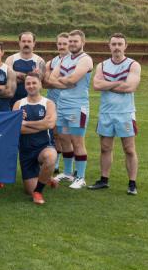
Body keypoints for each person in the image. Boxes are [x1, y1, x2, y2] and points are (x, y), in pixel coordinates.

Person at [88, 33, 142, 195]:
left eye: (120, 44)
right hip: (106, 112)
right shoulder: (102, 65)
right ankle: (104, 180)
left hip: (125, 113)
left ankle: (132, 183)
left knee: (129, 149)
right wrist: (119, 82)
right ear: (109, 46)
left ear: (126, 46)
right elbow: (96, 85)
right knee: (105, 148)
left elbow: (130, 87)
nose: (117, 47)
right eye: (114, 44)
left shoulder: (133, 65)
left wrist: (107, 84)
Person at [49, 30, 93, 189]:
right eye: (70, 41)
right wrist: (65, 82)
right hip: (62, 105)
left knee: (77, 141)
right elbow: (51, 79)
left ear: (83, 42)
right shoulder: (65, 59)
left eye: (75, 41)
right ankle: (67, 173)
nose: (72, 44)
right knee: (63, 139)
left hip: (77, 106)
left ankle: (80, 177)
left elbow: (74, 79)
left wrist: (63, 80)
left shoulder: (86, 59)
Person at [13, 73, 59, 205]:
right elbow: (15, 129)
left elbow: (50, 124)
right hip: (26, 150)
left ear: (40, 85)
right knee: (29, 190)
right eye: (28, 83)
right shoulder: (18, 104)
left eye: (34, 83)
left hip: (43, 146)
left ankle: (38, 192)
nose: (31, 86)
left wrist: (26, 123)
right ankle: (47, 177)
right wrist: (41, 124)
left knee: (51, 157)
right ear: (25, 86)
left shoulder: (48, 103)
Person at [43, 32, 69, 173]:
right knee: (55, 134)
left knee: (69, 137)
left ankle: (72, 168)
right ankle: (57, 165)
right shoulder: (51, 62)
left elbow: (74, 82)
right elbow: (46, 83)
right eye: (59, 43)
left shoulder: (75, 62)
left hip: (69, 103)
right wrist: (64, 82)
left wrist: (54, 81)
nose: (62, 46)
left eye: (65, 44)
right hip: (53, 102)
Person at [5, 31, 45, 107]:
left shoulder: (40, 61)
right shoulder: (10, 59)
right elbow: (9, 78)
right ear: (19, 43)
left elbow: (39, 81)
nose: (26, 44)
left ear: (34, 43)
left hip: (34, 103)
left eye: (29, 41)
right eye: (23, 41)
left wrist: (17, 75)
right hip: (12, 101)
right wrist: (31, 76)